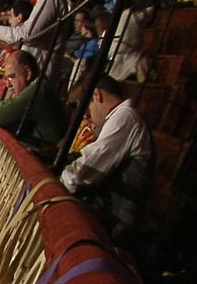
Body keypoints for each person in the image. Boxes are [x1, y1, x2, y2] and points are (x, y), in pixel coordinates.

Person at [60, 75, 153, 238]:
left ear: (97, 95)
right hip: (101, 212)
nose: (85, 116)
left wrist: (53, 180)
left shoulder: (125, 117)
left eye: (84, 107)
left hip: (111, 224)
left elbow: (79, 176)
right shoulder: (120, 117)